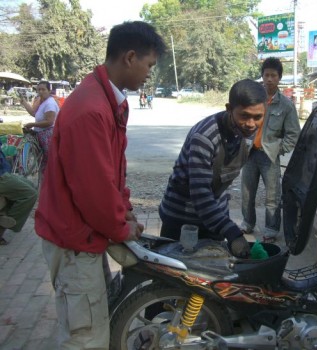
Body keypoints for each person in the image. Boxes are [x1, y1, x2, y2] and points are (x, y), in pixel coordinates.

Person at [34, 21, 167, 349]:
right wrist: (121, 228)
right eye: (148, 65)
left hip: (84, 235)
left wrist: (126, 213)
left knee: (99, 319)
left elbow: (111, 175)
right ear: (130, 57)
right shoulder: (92, 109)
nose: (149, 74)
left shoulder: (108, 99)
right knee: (85, 338)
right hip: (73, 241)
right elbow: (93, 192)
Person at [159, 79, 267, 258]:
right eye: (244, 116)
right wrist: (233, 233)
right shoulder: (205, 137)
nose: (251, 124)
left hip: (213, 219)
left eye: (258, 117)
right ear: (229, 109)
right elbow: (200, 194)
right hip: (182, 222)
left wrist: (223, 226)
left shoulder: (247, 134)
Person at [240, 57, 300, 242]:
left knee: (272, 197)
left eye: (273, 75)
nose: (269, 79)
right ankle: (247, 223)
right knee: (246, 193)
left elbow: (293, 134)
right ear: (262, 76)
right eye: (266, 75)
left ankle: (271, 230)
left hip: (269, 156)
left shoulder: (286, 105)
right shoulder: (253, 98)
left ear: (279, 78)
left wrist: (278, 149)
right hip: (250, 154)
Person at [0, 141, 37, 245]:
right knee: (30, 194)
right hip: (2, 177)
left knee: (30, 185)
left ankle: (7, 218)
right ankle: (7, 223)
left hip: (4, 172)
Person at [19, 80, 59, 174]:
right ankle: (44, 181)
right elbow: (34, 113)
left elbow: (49, 122)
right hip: (40, 133)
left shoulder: (50, 103)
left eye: (43, 89)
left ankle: (49, 181)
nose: (41, 92)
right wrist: (24, 102)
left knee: (48, 160)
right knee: (42, 161)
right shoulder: (42, 102)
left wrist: (32, 124)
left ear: (49, 91)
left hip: (48, 134)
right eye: (39, 90)